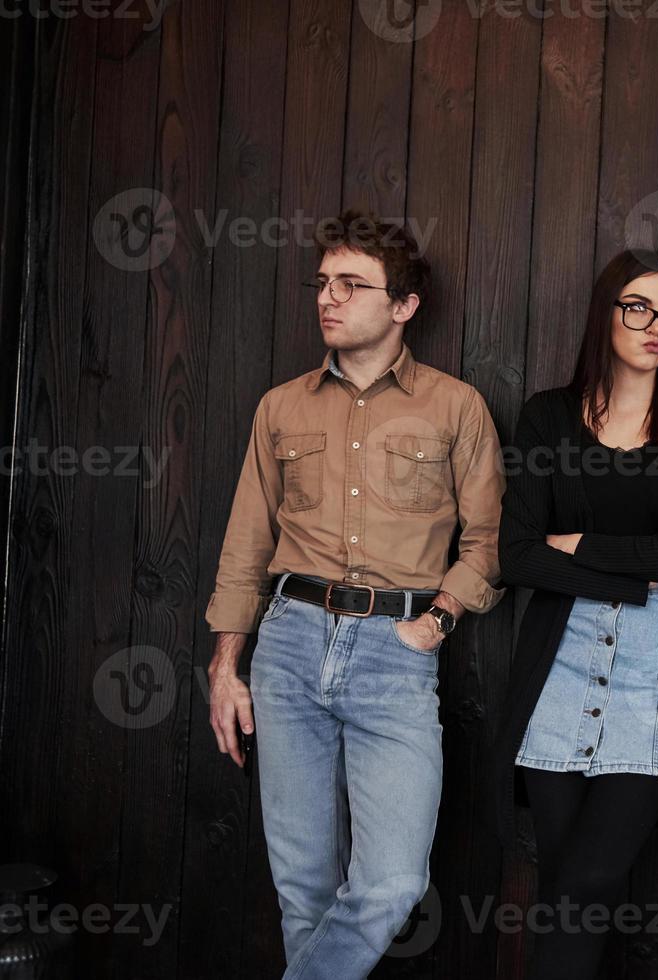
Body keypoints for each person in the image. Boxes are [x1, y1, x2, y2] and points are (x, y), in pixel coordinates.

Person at [204, 210, 505, 979]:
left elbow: (487, 543)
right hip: (290, 644)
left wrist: (435, 623)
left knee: (393, 881)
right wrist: (225, 665)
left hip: (396, 656)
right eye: (323, 283)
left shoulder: (455, 407)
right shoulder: (281, 406)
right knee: (300, 887)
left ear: (403, 306)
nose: (327, 299)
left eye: (351, 285)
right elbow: (247, 543)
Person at [489, 248, 658, 979]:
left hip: (655, 670)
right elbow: (517, 555)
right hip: (558, 668)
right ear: (606, 313)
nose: (654, 325)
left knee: (586, 883)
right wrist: (633, 575)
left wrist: (582, 545)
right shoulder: (547, 417)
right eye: (637, 307)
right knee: (568, 879)